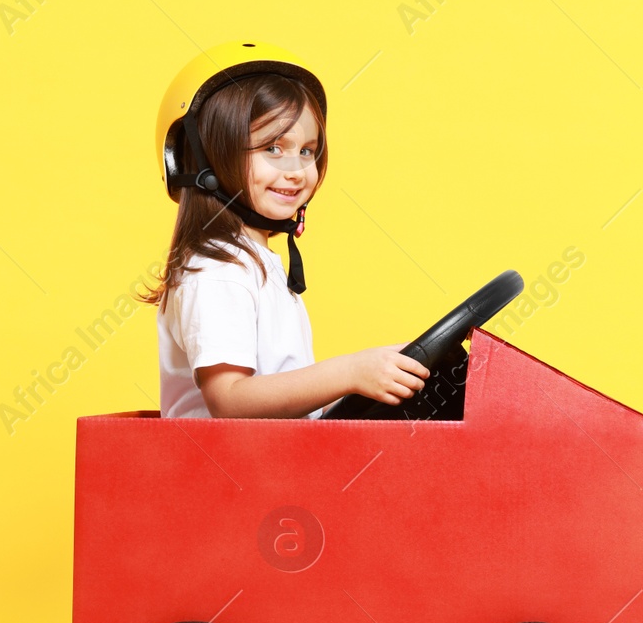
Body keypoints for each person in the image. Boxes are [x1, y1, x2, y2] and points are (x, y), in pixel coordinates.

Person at [141, 42, 428, 418]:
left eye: (307, 151)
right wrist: (348, 372)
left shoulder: (254, 263)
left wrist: (377, 371)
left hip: (267, 468)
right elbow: (230, 401)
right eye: (273, 148)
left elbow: (282, 401)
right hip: (226, 475)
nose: (296, 169)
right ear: (209, 158)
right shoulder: (218, 269)